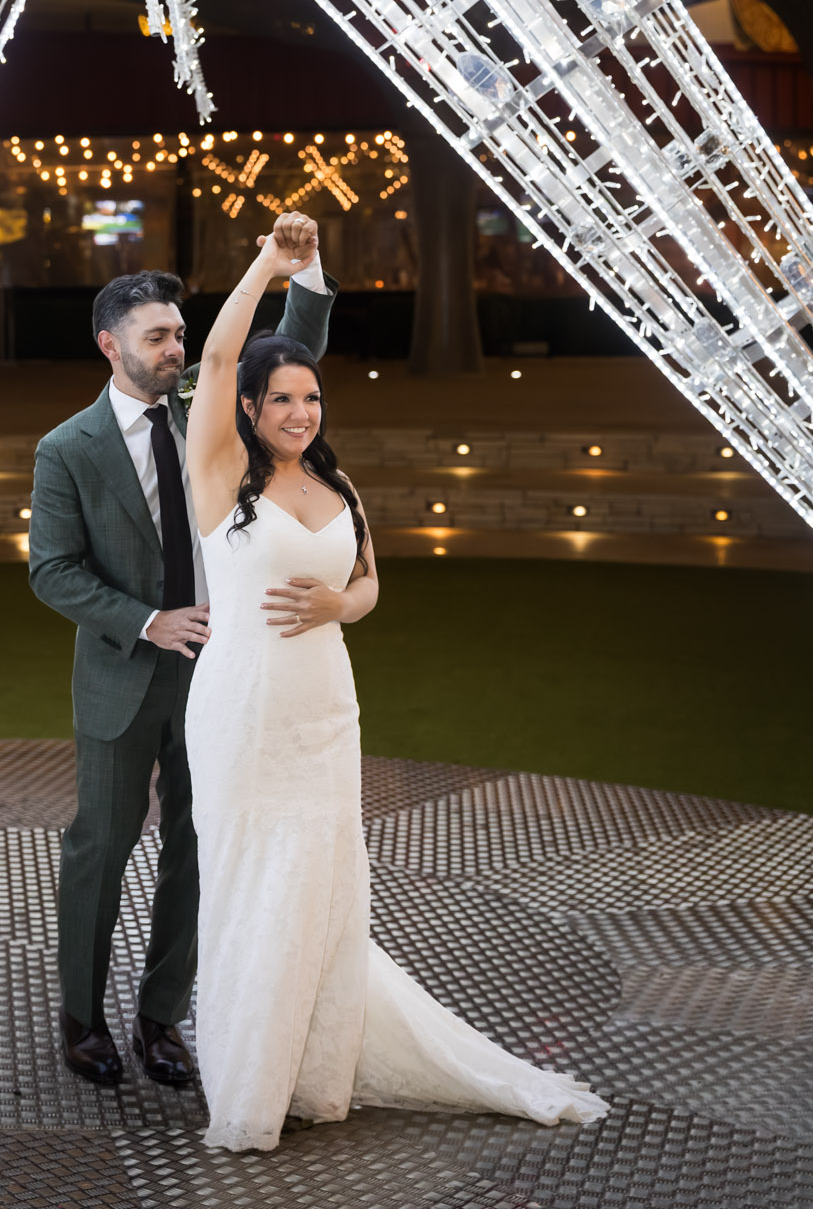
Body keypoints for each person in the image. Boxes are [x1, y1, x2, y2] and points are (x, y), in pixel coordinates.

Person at [183, 222, 609, 1153]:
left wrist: (342, 602)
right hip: (245, 710)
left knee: (325, 887)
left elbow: (371, 585)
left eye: (311, 396)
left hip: (325, 710)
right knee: (258, 883)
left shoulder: (339, 487)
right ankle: (251, 1077)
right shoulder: (218, 477)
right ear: (249, 407)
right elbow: (215, 357)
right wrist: (268, 265)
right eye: (282, 399)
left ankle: (315, 1070)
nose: (301, 413)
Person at [27, 215, 336, 1089]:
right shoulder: (66, 449)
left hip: (224, 676)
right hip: (125, 677)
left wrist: (304, 273)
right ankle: (82, 1019)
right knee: (102, 847)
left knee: (198, 848)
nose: (174, 349)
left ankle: (161, 1020)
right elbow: (51, 571)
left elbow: (292, 351)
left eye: (179, 334)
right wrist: (145, 619)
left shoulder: (213, 411)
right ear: (108, 345)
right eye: (156, 336)